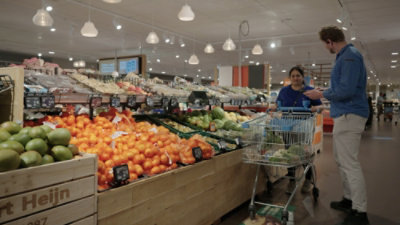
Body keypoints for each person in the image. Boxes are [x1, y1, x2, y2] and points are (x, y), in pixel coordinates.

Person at [304, 26, 369, 225]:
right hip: (345, 113)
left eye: (325, 44)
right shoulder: (346, 56)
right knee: (342, 160)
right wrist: (325, 90)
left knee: (349, 163)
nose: (326, 48)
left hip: (350, 114)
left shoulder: (349, 56)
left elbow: (347, 90)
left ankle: (360, 211)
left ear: (330, 41)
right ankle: (350, 200)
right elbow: (344, 87)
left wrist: (321, 94)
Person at [276, 66, 322, 194]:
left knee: (304, 153)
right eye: (293, 76)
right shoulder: (284, 91)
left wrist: (314, 109)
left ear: (302, 77)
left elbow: (319, 105)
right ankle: (292, 180)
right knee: (289, 153)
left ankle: (308, 180)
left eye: (298, 76)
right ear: (290, 78)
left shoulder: (309, 91)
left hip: (304, 126)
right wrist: (274, 109)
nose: (295, 78)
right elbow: (277, 104)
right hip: (288, 126)